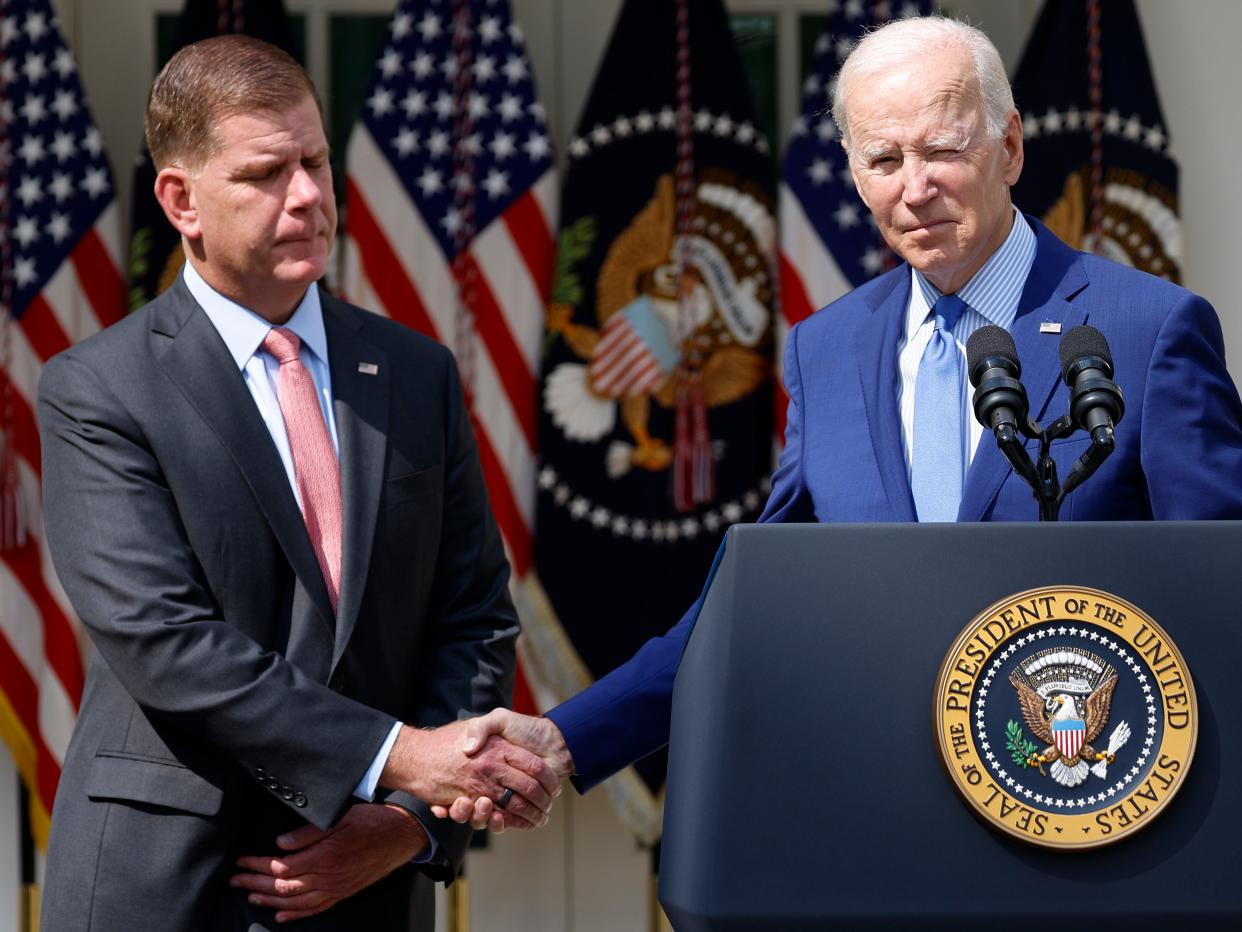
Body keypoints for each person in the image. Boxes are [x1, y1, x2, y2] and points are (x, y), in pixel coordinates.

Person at [436, 14, 1242, 827]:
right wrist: (566, 739)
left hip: (1092, 807)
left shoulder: (1145, 332)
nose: (913, 187)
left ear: (1011, 148)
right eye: (884, 160)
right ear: (855, 175)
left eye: (942, 151)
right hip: (887, 819)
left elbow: (1222, 598)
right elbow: (754, 599)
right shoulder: (827, 350)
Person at [37, 36, 558, 930]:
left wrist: (408, 822)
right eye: (267, 172)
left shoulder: (414, 372)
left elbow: (473, 614)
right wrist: (399, 758)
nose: (311, 195)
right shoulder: (99, 387)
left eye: (315, 159)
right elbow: (164, 639)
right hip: (169, 883)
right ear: (180, 199)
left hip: (371, 885)